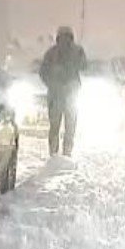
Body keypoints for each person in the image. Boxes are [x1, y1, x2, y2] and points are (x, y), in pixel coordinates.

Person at [38, 26, 88, 157]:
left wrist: (51, 83)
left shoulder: (72, 52)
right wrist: (52, 83)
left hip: (65, 94)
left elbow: (84, 66)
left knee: (62, 127)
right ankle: (62, 153)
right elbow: (43, 72)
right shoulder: (56, 53)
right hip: (61, 94)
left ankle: (59, 153)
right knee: (64, 126)